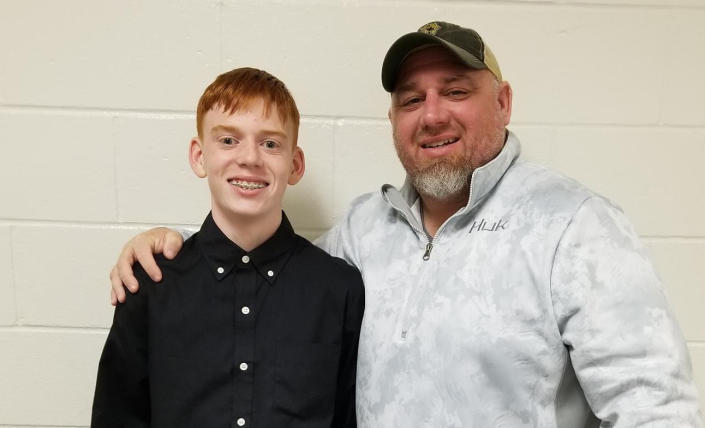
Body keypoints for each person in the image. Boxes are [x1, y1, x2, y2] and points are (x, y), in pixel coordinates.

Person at [107, 22, 702, 427]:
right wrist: (173, 245)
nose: (433, 113)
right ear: (393, 118)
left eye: (456, 90)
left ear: (504, 103)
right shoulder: (366, 230)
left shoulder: (574, 227)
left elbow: (656, 408)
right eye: (412, 98)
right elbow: (262, 264)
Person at [92, 67, 364, 428]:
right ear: (199, 156)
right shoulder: (151, 284)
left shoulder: (339, 289)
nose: (250, 158)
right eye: (228, 140)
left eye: (270, 143)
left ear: (295, 165)